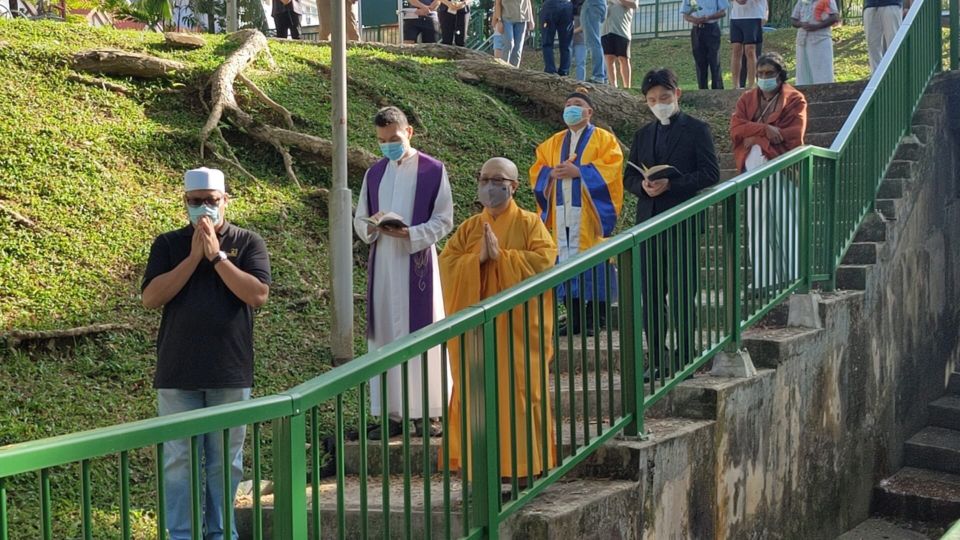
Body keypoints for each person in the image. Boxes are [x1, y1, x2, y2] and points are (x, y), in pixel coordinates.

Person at [142, 167, 271, 540]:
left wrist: (217, 258)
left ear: (225, 200)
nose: (203, 209)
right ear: (185, 202)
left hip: (229, 372)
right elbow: (151, 298)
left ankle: (221, 534)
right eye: (195, 201)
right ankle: (180, 535)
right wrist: (192, 258)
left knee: (224, 463)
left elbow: (257, 294)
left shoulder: (248, 242)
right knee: (178, 461)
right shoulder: (167, 244)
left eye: (211, 201)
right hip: (177, 372)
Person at [440, 157, 558, 482]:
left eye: (498, 180)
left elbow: (545, 260)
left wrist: (502, 258)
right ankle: (480, 467)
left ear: (514, 186)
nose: (490, 186)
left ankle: (523, 469)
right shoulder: (469, 228)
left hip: (517, 330)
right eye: (485, 179)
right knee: (476, 393)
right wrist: (475, 261)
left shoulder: (530, 223)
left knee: (519, 393)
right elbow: (447, 264)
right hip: (478, 332)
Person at [353, 106, 454, 440]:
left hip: (417, 261)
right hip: (383, 263)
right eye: (382, 141)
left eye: (393, 139)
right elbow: (360, 217)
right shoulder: (374, 173)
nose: (388, 146)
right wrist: (373, 227)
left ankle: (429, 412)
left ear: (408, 132)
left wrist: (410, 233)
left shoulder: (432, 170)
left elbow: (444, 219)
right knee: (385, 336)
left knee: (423, 337)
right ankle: (393, 414)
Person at [624, 69, 719, 381]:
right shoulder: (643, 134)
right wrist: (644, 187)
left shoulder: (697, 129)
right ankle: (658, 356)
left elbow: (710, 174)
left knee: (681, 293)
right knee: (650, 295)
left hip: (682, 222)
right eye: (652, 100)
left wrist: (670, 184)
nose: (659, 104)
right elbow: (629, 177)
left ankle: (686, 354)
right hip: (648, 222)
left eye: (664, 98)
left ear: (677, 94)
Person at [530, 88, 624, 336]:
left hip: (589, 215)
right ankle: (573, 318)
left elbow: (612, 166)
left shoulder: (604, 139)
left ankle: (596, 318)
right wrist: (549, 174)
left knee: (595, 262)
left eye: (577, 104)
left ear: (589, 111)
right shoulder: (553, 142)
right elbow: (538, 168)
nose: (571, 108)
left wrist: (580, 171)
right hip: (561, 212)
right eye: (568, 103)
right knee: (564, 261)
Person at [729, 53, 808, 293]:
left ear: (780, 75)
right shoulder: (747, 99)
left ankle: (794, 278)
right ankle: (764, 279)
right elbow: (736, 128)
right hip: (752, 172)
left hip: (782, 168)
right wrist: (763, 129)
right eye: (760, 74)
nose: (764, 78)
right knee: (757, 224)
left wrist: (754, 137)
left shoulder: (794, 99)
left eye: (769, 74)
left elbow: (792, 133)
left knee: (786, 222)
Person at [681, 0, 729, 89]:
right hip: (697, 29)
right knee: (700, 61)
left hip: (712, 28)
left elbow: (723, 13)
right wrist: (695, 20)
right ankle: (702, 89)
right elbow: (685, 14)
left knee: (714, 59)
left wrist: (709, 17)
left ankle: (717, 89)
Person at [791, 0, 839, 85]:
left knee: (822, 74)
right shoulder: (802, 1)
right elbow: (793, 20)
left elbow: (834, 17)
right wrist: (801, 24)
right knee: (803, 74)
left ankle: (824, 95)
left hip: (820, 40)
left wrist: (817, 26)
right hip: (802, 41)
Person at [729, 0, 767, 88]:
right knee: (736, 49)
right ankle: (735, 85)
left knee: (750, 50)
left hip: (753, 16)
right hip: (736, 17)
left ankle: (751, 84)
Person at [864, 0, 909, 71]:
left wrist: (907, 6)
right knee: (872, 45)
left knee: (894, 44)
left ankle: (896, 74)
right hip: (870, 5)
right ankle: (876, 77)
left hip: (891, 4)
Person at [602, 0, 636, 88]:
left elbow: (634, 5)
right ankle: (613, 86)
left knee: (623, 58)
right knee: (609, 59)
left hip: (622, 31)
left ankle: (627, 87)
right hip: (606, 30)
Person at [494, 0, 535, 67]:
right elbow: (498, 3)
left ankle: (514, 72)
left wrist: (531, 19)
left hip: (522, 19)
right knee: (509, 44)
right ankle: (504, 69)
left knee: (517, 49)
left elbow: (528, 2)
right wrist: (499, 20)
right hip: (506, 18)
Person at [540, 0, 574, 76]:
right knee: (566, 44)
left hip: (550, 5)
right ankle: (564, 71)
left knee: (547, 42)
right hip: (567, 5)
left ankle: (550, 70)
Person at [580, 0, 607, 83]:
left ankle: (598, 75)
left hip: (592, 4)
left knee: (594, 42)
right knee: (596, 41)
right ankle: (603, 75)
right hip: (601, 4)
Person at [571, 2, 587, 80]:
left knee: (580, 63)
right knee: (568, 62)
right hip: (570, 40)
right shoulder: (569, 6)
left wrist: (571, 32)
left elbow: (584, 26)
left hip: (581, 40)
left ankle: (580, 82)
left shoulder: (584, 8)